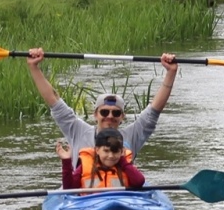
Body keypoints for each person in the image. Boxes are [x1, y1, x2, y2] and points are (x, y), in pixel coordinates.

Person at [27, 47, 179, 156]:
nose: (110, 116)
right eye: (104, 112)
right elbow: (54, 100)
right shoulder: (77, 130)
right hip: (84, 191)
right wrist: (34, 67)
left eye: (116, 113)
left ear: (122, 116)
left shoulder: (131, 136)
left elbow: (154, 110)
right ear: (95, 114)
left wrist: (171, 72)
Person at [57, 128, 146, 190]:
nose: (111, 156)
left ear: (122, 151)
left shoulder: (125, 165)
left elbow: (139, 182)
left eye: (115, 151)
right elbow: (69, 188)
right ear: (97, 150)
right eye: (106, 151)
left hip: (119, 202)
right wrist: (66, 161)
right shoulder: (85, 166)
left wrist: (123, 161)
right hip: (91, 204)